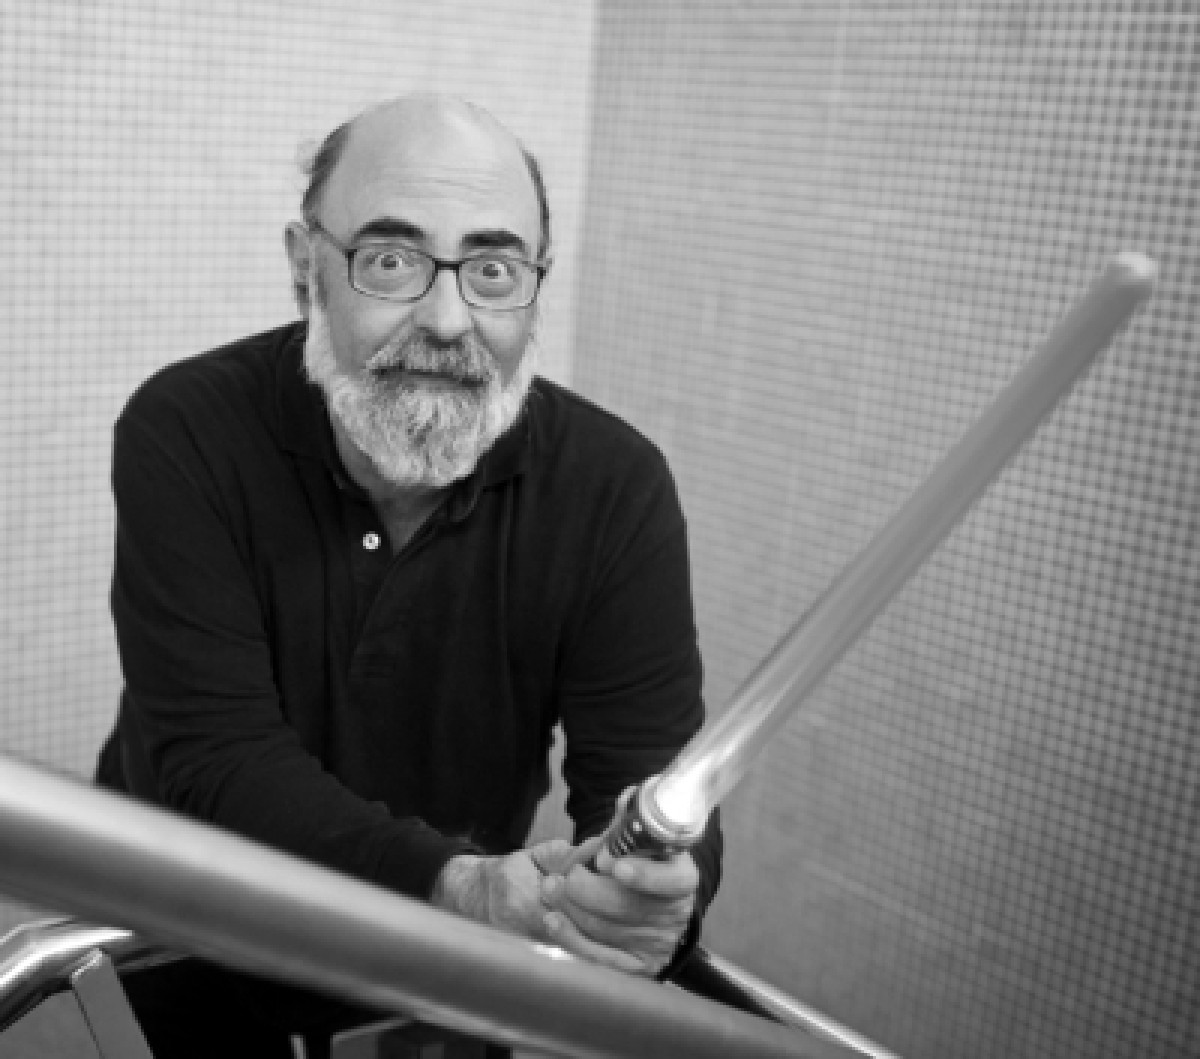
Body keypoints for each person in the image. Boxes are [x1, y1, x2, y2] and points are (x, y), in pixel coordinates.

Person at [96, 94, 721, 1057]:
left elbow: (653, 778)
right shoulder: (186, 432)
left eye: (493, 269)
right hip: (182, 947)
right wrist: (463, 888)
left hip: (442, 976)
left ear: (535, 287)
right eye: (391, 260)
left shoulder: (614, 487)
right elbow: (218, 763)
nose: (447, 318)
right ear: (307, 268)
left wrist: (652, 892)